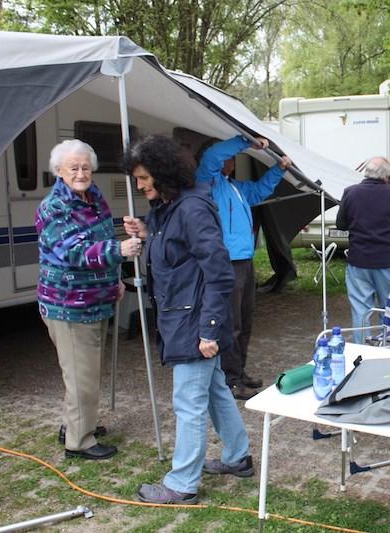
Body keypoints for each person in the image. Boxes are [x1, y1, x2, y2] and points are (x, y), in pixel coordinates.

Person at [122, 135, 254, 505]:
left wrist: (210, 329)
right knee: (215, 392)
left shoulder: (193, 208)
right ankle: (237, 457)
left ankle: (182, 483)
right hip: (182, 317)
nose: (139, 185)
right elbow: (177, 247)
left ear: (163, 173)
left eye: (144, 177)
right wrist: (148, 231)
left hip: (195, 323)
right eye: (137, 179)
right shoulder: (169, 205)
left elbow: (220, 272)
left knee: (189, 403)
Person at [36, 139, 141, 460]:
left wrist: (116, 280)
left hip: (96, 300)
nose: (81, 173)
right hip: (68, 305)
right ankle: (79, 442)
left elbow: (102, 238)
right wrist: (119, 251)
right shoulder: (54, 207)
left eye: (85, 167)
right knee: (82, 376)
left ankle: (76, 424)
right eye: (73, 168)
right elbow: (73, 252)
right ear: (59, 171)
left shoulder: (93, 197)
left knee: (85, 372)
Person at [196, 135, 292, 400]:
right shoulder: (207, 181)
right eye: (229, 157)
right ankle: (230, 379)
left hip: (244, 260)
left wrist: (279, 170)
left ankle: (239, 371)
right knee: (231, 323)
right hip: (226, 261)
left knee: (246, 319)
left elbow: (260, 191)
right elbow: (212, 156)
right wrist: (245, 141)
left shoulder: (234, 186)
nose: (232, 161)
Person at [336, 156, 390, 343]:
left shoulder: (350, 193)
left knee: (360, 308)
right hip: (388, 261)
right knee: (389, 308)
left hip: (359, 260)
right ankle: (388, 348)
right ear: (387, 174)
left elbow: (341, 224)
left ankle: (362, 351)